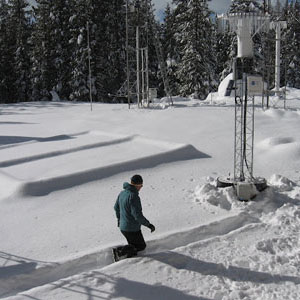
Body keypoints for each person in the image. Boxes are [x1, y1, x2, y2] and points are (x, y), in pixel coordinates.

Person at [113, 174, 155, 261]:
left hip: (123, 227)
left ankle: (127, 258)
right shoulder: (134, 196)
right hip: (132, 228)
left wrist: (119, 220)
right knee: (141, 246)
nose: (141, 187)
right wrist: (148, 225)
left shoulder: (122, 193)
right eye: (141, 185)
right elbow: (137, 215)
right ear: (137, 185)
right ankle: (119, 252)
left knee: (133, 246)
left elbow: (116, 208)